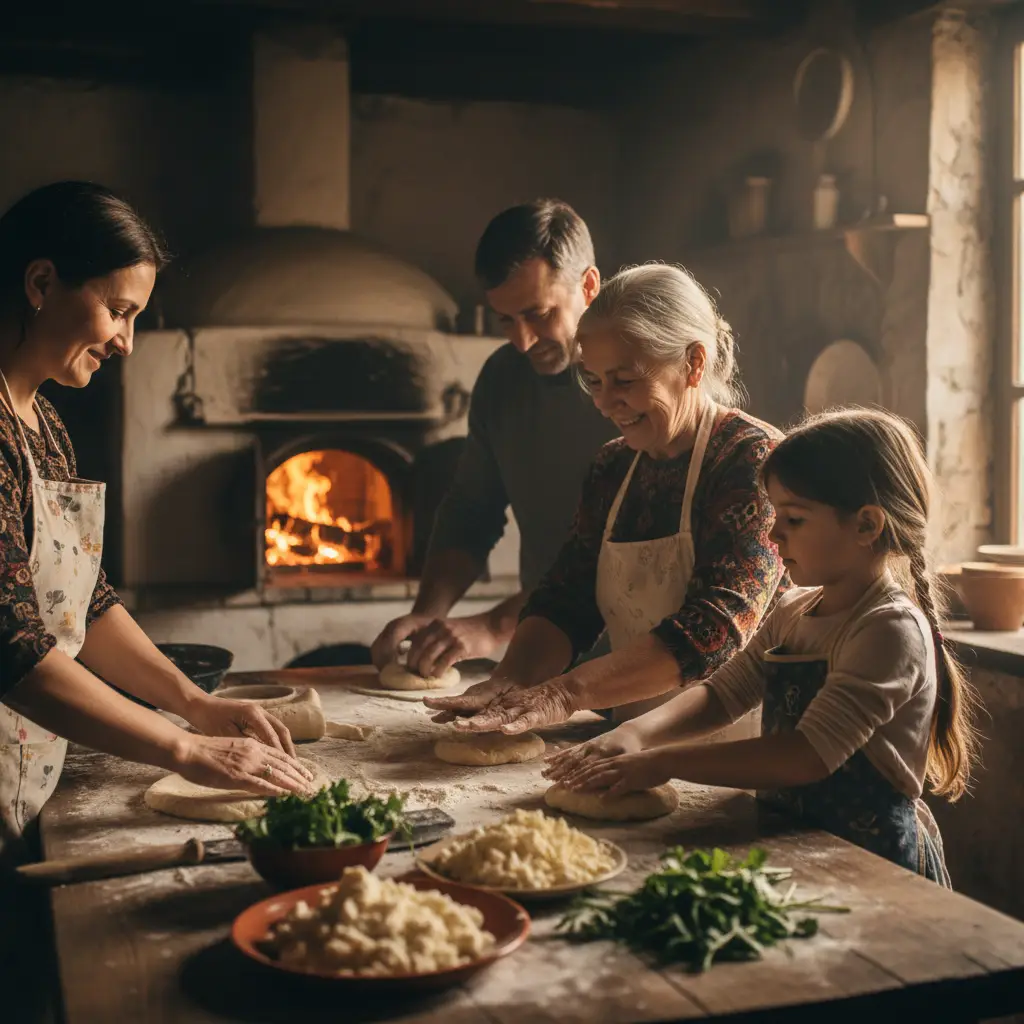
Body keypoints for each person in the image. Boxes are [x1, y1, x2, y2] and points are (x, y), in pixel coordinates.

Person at [0, 182, 315, 872]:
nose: (127, 342)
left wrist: (194, 704)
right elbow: (12, 651)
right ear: (42, 282)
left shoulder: (42, 422)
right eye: (118, 311)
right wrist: (184, 747)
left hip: (27, 773)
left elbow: (83, 599)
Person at [546, 408, 980, 886]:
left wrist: (661, 762)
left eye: (793, 518)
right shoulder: (795, 610)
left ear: (866, 525)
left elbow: (806, 755)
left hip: (872, 864)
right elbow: (722, 695)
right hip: (793, 840)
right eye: (774, 515)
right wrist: (637, 735)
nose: (773, 534)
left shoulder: (888, 630)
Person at [426, 263, 786, 732]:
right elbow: (566, 597)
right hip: (630, 742)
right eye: (593, 380)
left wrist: (566, 692)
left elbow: (714, 628)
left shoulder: (755, 461)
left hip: (735, 747)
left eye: (625, 380)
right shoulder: (613, 466)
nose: (603, 401)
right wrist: (511, 678)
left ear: (693, 364)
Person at [371, 199, 617, 676]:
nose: (522, 341)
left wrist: (494, 627)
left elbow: (626, 553)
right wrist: (430, 611)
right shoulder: (502, 379)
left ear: (589, 285)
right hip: (545, 659)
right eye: (506, 320)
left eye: (539, 314)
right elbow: (471, 510)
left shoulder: (637, 383)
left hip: (639, 664)